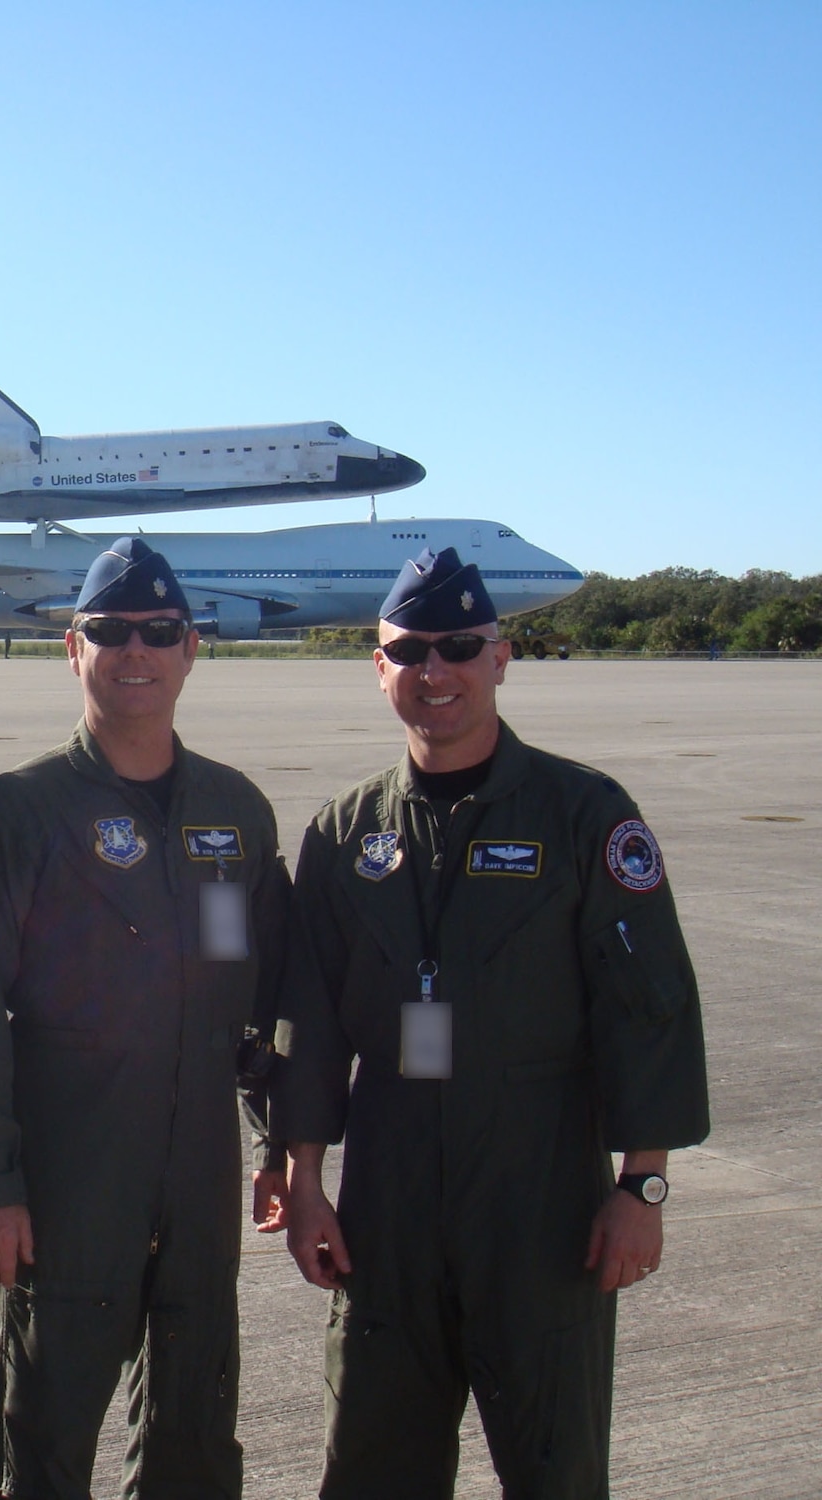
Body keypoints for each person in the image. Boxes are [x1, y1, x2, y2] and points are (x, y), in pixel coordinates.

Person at [276, 546, 711, 1498]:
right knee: (371, 1468)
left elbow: (649, 1005)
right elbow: (308, 1022)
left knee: (556, 1471)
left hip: (541, 1199)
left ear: (502, 658)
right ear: (380, 664)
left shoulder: (583, 813)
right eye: (414, 651)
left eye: (461, 648)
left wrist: (643, 1188)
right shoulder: (345, 833)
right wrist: (304, 1180)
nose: (437, 672)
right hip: (386, 1203)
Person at [0, 537, 294, 1499]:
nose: (134, 650)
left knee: (196, 1439)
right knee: (47, 1444)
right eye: (109, 631)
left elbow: (255, 992)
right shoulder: (20, 814)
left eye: (159, 631)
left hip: (198, 1179)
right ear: (73, 648)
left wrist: (280, 1144)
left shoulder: (232, 813)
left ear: (191, 650)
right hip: (66, 1182)